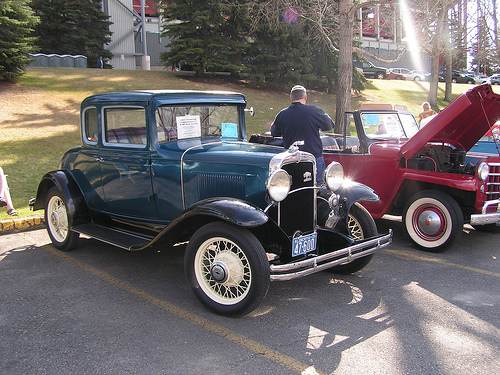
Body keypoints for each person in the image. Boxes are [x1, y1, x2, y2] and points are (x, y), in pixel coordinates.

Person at [271, 85, 334, 183]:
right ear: (305, 97)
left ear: (291, 98)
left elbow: (274, 132)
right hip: (313, 159)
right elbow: (329, 125)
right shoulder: (314, 111)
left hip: (291, 160)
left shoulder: (282, 114)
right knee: (317, 189)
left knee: (293, 190)